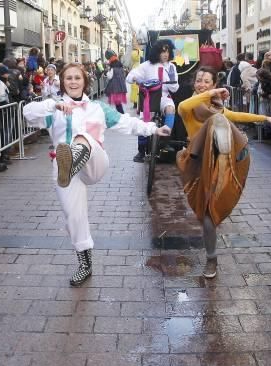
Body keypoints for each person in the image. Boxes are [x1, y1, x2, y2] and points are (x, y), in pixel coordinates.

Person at [23, 63, 171, 286]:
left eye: (77, 78)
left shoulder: (97, 108)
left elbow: (127, 123)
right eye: (68, 78)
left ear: (85, 81)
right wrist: (54, 105)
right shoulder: (54, 109)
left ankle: (73, 156)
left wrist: (153, 129)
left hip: (94, 163)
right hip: (64, 171)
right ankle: (85, 264)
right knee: (74, 216)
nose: (73, 82)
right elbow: (27, 113)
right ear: (62, 82)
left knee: (84, 137)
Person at [177, 67, 271, 278]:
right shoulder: (189, 108)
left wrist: (264, 118)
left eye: (207, 81)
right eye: (199, 80)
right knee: (203, 213)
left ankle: (211, 259)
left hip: (219, 164)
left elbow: (235, 115)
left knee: (209, 214)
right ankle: (212, 256)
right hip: (197, 163)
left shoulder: (217, 109)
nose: (201, 84)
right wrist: (210, 94)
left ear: (214, 84)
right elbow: (183, 105)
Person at [126, 39, 179, 162]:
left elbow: (175, 88)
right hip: (149, 97)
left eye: (168, 51)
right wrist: (135, 78)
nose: (166, 54)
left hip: (164, 97)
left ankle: (165, 140)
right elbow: (130, 76)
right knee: (144, 120)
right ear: (157, 52)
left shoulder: (171, 67)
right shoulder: (147, 65)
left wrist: (172, 80)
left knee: (171, 109)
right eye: (162, 51)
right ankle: (141, 151)